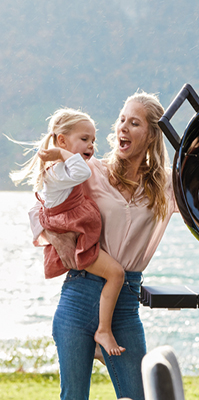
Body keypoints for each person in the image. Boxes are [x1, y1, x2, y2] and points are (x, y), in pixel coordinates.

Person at [28, 92, 178, 400]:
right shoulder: (91, 170)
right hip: (79, 295)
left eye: (134, 123)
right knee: (73, 396)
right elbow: (41, 206)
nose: (123, 127)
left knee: (138, 395)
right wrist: (57, 237)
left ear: (150, 135)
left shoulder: (167, 184)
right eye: (121, 119)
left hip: (124, 304)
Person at [10, 108, 125, 357]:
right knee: (116, 274)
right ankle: (103, 331)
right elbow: (82, 173)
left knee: (112, 275)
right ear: (62, 140)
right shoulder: (59, 171)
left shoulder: (60, 169)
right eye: (84, 139)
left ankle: (97, 339)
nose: (91, 146)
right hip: (77, 243)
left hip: (79, 235)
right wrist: (63, 154)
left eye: (93, 140)